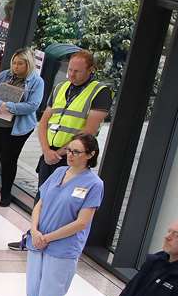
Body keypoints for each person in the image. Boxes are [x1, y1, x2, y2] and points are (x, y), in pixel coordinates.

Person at [16, 132, 102, 296]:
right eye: (69, 150)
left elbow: (82, 222)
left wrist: (48, 237)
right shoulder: (59, 172)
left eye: (76, 152)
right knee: (33, 289)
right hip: (38, 241)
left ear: (90, 155)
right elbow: (40, 203)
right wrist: (35, 231)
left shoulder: (93, 184)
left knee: (51, 293)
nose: (70, 155)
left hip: (62, 248)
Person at [10, 49, 110, 217]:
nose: (71, 74)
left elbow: (89, 131)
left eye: (77, 71)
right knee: (42, 195)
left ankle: (47, 239)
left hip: (72, 156)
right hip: (49, 153)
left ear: (90, 69)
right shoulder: (60, 87)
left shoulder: (100, 91)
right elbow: (44, 121)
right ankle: (32, 236)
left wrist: (60, 153)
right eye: (70, 69)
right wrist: (46, 150)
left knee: (61, 203)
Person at [0, 51, 45, 204]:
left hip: (15, 130)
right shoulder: (4, 75)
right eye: (14, 63)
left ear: (28, 64)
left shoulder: (37, 82)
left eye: (20, 63)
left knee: (8, 161)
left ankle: (6, 194)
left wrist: (10, 107)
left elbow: (33, 105)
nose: (15, 66)